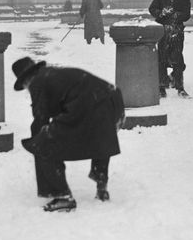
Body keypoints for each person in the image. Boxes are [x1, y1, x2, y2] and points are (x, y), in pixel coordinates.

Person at [12, 57, 125, 213]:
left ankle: (62, 196)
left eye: (24, 85)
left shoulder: (38, 82)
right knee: (100, 138)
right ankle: (102, 188)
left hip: (89, 103)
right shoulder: (52, 74)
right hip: (111, 98)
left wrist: (36, 142)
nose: (26, 88)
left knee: (43, 143)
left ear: (26, 79)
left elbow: (40, 119)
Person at [149, 0, 192, 98]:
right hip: (163, 30)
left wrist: (176, 15)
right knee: (161, 58)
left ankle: (180, 87)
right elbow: (152, 9)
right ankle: (161, 86)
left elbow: (187, 14)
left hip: (177, 30)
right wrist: (161, 13)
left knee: (178, 58)